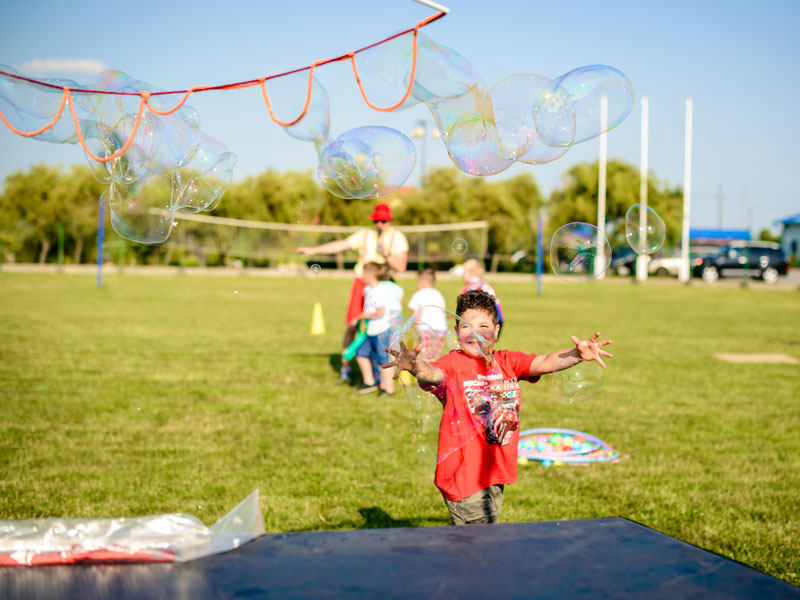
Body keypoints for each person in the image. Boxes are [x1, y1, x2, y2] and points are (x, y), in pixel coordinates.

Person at [385, 290, 612, 526]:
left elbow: (545, 362)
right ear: (456, 333)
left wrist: (577, 353)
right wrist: (413, 365)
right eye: (466, 327)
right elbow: (432, 373)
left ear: (496, 331)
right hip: (465, 477)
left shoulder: (508, 362)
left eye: (483, 326)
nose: (474, 332)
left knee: (476, 544)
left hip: (493, 472)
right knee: (480, 543)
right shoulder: (453, 364)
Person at [297, 203, 409, 382]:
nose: (380, 224)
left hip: (386, 286)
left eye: (384, 221)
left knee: (385, 329)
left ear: (389, 221)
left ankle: (382, 372)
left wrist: (385, 251)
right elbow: (342, 245)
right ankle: (346, 366)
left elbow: (401, 267)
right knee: (352, 324)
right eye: (377, 221)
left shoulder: (398, 238)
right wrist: (314, 250)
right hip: (362, 284)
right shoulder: (365, 235)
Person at [354, 262, 404, 396]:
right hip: (371, 331)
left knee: (383, 360)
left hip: (381, 331)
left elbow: (381, 310)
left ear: (369, 275)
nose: (361, 276)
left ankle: (389, 389)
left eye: (363, 273)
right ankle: (369, 382)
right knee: (360, 354)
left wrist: (364, 315)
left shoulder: (377, 291)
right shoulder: (370, 290)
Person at [408, 267, 447, 359]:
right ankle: (433, 371)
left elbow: (416, 314)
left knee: (424, 355)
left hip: (425, 329)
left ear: (422, 282)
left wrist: (416, 328)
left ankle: (426, 372)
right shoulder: (438, 294)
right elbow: (443, 311)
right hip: (441, 329)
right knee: (434, 355)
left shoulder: (418, 294)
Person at [459, 258, 505, 339]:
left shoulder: (470, 287)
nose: (461, 274)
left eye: (464, 271)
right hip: (498, 317)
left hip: (485, 319)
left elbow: (464, 308)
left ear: (471, 272)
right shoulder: (484, 284)